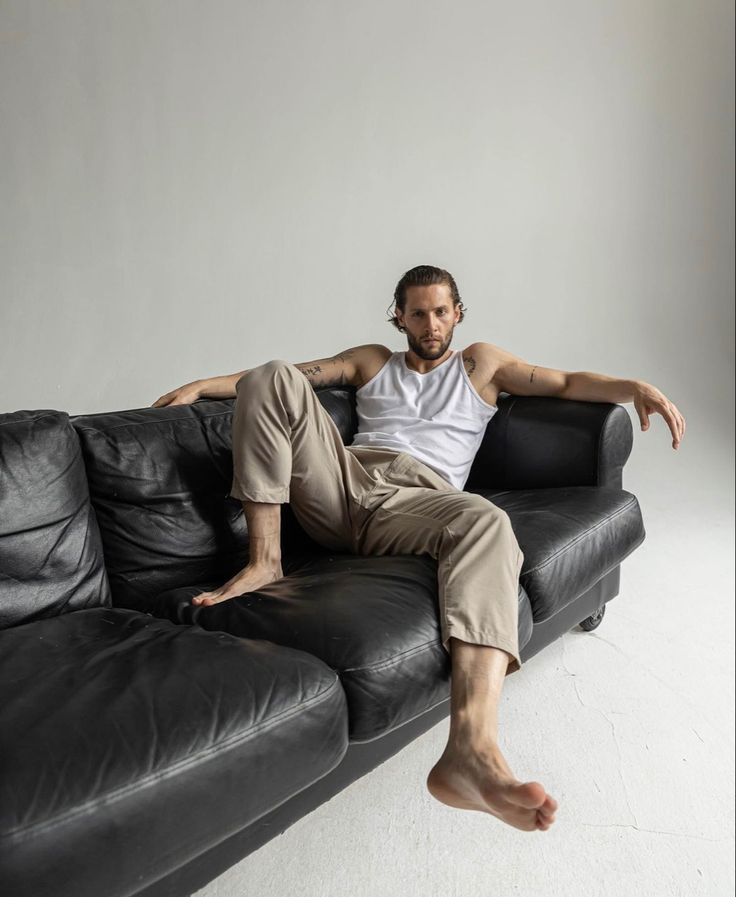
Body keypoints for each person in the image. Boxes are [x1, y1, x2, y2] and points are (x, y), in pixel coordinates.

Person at [151, 264, 685, 833]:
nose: (430, 324)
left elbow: (563, 383)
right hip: (342, 484)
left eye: (440, 311)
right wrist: (207, 385)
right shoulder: (372, 361)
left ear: (457, 312)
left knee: (485, 520)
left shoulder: (482, 364)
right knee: (271, 374)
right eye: (417, 313)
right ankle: (264, 561)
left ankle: (471, 750)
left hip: (417, 502)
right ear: (398, 317)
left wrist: (634, 387)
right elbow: (296, 376)